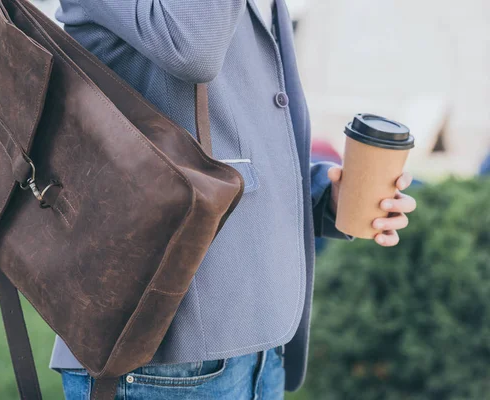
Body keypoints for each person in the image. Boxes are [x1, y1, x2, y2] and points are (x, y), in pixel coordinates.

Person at [50, 0, 417, 399]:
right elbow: (194, 49)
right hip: (164, 354)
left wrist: (322, 195)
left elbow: (237, 123)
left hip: (261, 343)